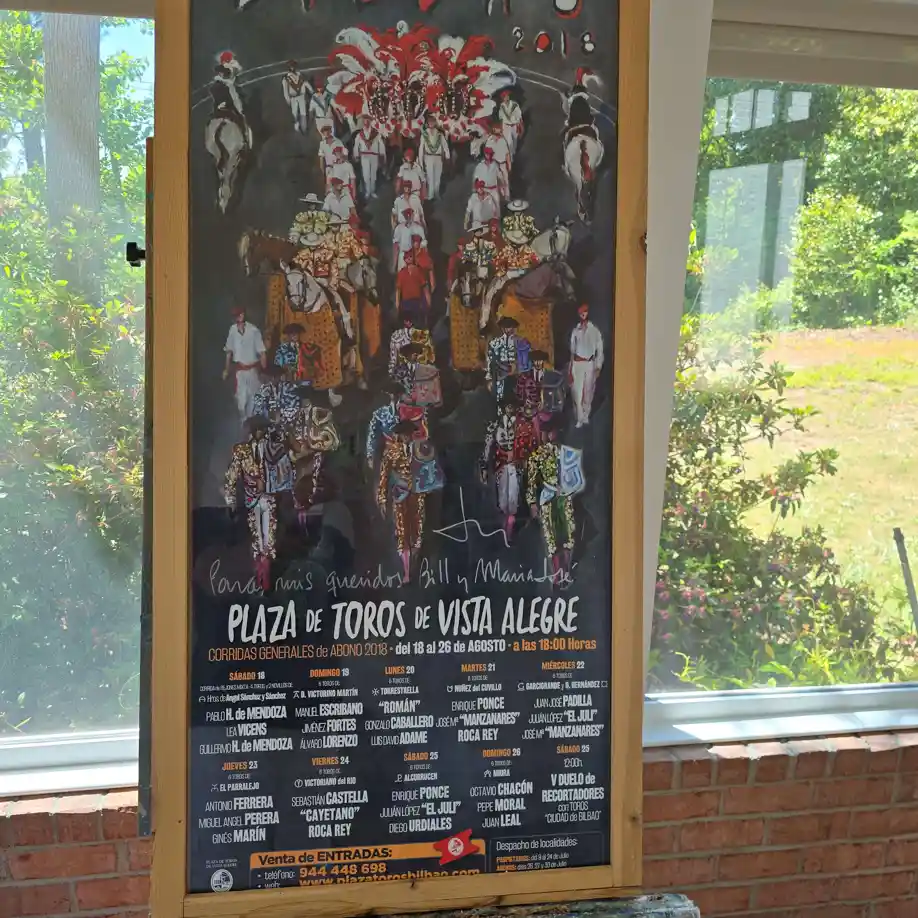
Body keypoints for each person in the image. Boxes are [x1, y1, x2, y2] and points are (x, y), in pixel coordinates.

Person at [224, 416, 276, 590]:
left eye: (263, 429)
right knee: (257, 540)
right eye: (258, 429)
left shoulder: (273, 449)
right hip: (250, 499)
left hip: (270, 499)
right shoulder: (242, 451)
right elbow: (232, 476)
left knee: (268, 541)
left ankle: (267, 577)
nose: (261, 433)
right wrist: (230, 499)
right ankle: (259, 579)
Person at [479, 392, 538, 541]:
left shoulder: (522, 425)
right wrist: (484, 466)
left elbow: (529, 445)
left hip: (516, 465)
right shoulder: (495, 424)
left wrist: (526, 460)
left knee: (513, 499)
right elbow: (487, 446)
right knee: (502, 500)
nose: (510, 408)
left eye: (512, 406)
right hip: (500, 464)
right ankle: (505, 528)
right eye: (508, 406)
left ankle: (510, 530)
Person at [376, 419, 427, 583]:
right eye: (403, 434)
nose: (406, 437)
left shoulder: (420, 449)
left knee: (417, 531)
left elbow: (427, 471)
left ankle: (414, 566)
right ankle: (406, 572)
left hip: (417, 495)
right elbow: (384, 476)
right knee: (402, 532)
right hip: (400, 495)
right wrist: (382, 498)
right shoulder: (391, 451)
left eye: (408, 434)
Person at [526, 415, 575, 578]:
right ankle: (556, 575)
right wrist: (532, 503)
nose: (549, 435)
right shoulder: (537, 456)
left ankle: (566, 572)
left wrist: (568, 488)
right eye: (546, 432)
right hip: (547, 498)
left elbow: (574, 476)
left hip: (563, 498)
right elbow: (531, 481)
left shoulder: (564, 452)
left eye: (551, 432)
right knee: (552, 539)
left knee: (566, 536)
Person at [223, 307, 267, 423]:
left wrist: (264, 371)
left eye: (240, 315)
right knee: (241, 402)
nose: (239, 317)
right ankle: (243, 423)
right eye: (236, 315)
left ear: (244, 315)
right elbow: (229, 352)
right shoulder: (232, 330)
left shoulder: (253, 330)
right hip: (240, 371)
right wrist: (226, 369)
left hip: (253, 370)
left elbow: (262, 352)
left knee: (253, 399)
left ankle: (251, 425)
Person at [568, 303, 604, 428]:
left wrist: (598, 366)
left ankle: (585, 415)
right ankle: (579, 418)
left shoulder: (594, 331)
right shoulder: (575, 331)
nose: (583, 314)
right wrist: (570, 368)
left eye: (585, 312)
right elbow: (572, 351)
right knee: (577, 392)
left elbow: (600, 349)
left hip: (590, 364)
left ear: (588, 313)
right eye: (581, 313)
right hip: (578, 363)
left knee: (588, 391)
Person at [486, 315, 531, 402]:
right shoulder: (495, 343)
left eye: (510, 326)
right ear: (502, 328)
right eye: (505, 327)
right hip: (500, 376)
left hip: (517, 377)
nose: (508, 329)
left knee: (517, 400)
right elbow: (490, 361)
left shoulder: (520, 342)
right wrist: (489, 379)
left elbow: (526, 362)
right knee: (500, 400)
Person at [366, 379, 406, 471]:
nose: (395, 397)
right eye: (392, 394)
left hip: (407, 453)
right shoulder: (381, 413)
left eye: (397, 395)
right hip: (388, 454)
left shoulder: (408, 412)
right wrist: (370, 455)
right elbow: (373, 435)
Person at [210, 62, 251, 147]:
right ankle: (245, 140)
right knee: (240, 119)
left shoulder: (216, 85)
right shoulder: (227, 85)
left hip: (218, 109)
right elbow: (232, 99)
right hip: (227, 108)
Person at [253, 363, 300, 429]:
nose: (272, 379)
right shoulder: (263, 390)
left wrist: (280, 412)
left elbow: (294, 408)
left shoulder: (289, 388)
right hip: (267, 427)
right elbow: (257, 411)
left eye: (276, 376)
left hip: (287, 426)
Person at [352, 114, 386, 199]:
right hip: (364, 156)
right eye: (365, 120)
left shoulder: (376, 133)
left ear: (370, 122)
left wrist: (382, 156)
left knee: (373, 175)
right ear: (363, 122)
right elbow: (356, 145)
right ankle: (367, 192)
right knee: (366, 175)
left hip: (374, 156)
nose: (366, 122)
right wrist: (356, 155)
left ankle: (372, 191)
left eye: (368, 120)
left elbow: (381, 145)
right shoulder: (360, 134)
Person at [418, 112, 450, 200]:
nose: (431, 123)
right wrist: (420, 161)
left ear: (435, 123)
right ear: (427, 123)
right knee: (430, 176)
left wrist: (447, 156)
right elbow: (421, 148)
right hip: (428, 157)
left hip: (438, 157)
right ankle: (430, 195)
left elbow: (445, 145)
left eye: (433, 121)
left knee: (438, 176)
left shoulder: (440, 134)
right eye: (430, 122)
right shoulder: (424, 134)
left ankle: (436, 193)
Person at [396, 248, 432, 328]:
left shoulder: (418, 271)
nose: (409, 259)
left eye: (410, 257)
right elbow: (398, 290)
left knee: (417, 324)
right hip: (406, 303)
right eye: (407, 257)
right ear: (404, 260)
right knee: (407, 325)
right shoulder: (401, 273)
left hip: (416, 302)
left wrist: (428, 300)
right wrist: (397, 303)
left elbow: (425, 288)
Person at [392, 206, 428, 271]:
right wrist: (395, 263)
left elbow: (424, 244)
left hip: (415, 255)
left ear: (412, 215)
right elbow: (396, 246)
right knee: (402, 273)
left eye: (410, 215)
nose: (408, 217)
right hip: (403, 255)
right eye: (406, 215)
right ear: (404, 216)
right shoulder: (399, 228)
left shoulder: (419, 228)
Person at [483, 119, 512, 194]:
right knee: (497, 181)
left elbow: (507, 153)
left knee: (506, 180)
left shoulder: (503, 140)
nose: (499, 130)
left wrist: (509, 164)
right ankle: (500, 195)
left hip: (503, 163)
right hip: (494, 164)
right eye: (497, 128)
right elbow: (486, 154)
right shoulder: (489, 140)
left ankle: (507, 196)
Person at [282, 60, 309, 133]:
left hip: (301, 96)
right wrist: (288, 100)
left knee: (303, 113)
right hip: (293, 98)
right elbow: (285, 91)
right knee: (295, 113)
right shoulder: (286, 78)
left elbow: (305, 83)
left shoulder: (300, 75)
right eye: (291, 66)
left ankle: (304, 128)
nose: (292, 67)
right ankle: (296, 126)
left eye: (293, 66)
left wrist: (311, 91)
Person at [498, 89, 524, 160]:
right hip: (506, 126)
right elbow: (501, 117)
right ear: (503, 98)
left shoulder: (514, 105)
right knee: (509, 143)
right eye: (505, 97)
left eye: (507, 96)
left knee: (515, 139)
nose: (506, 98)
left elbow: (519, 115)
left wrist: (520, 125)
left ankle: (513, 152)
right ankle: (511, 157)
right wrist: (501, 128)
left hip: (514, 125)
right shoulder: (502, 106)